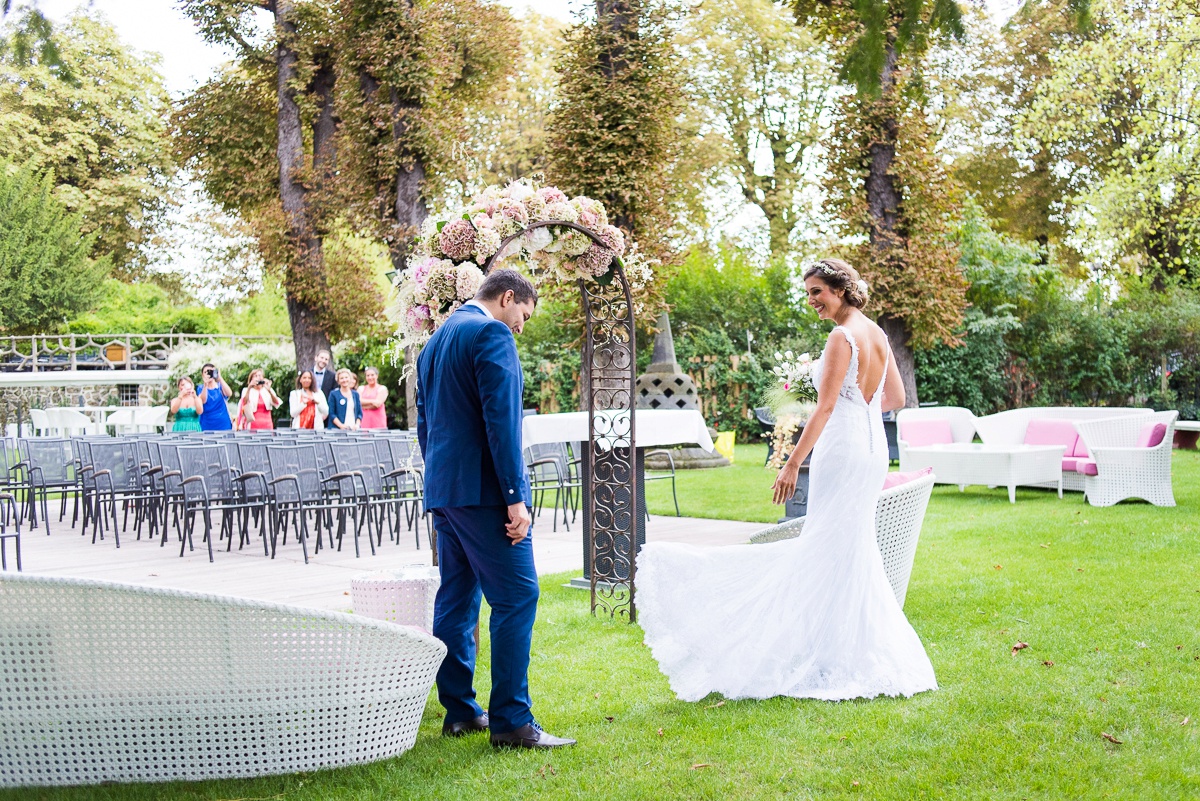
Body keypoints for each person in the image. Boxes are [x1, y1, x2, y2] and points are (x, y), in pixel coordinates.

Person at [636, 258, 937, 702]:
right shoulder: (877, 334)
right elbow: (895, 398)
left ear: (840, 290)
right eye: (809, 292)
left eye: (818, 291)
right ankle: (848, 650)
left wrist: (793, 462)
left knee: (827, 544)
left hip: (843, 449)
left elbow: (826, 408)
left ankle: (827, 652)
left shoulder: (842, 336)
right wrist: (864, 409)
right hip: (873, 452)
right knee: (848, 548)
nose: (812, 300)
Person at [417, 268, 574, 750]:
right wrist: (515, 497)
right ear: (508, 297)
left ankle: (461, 712)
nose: (521, 327)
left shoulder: (437, 338)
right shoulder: (490, 333)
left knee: (457, 599)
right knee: (517, 597)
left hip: (445, 490)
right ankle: (510, 722)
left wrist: (440, 479)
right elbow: (502, 423)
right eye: (524, 314)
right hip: (484, 493)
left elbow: (425, 420)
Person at [197, 363, 233, 431]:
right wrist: (205, 385)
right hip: (207, 424)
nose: (209, 374)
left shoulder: (220, 386)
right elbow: (203, 400)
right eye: (206, 372)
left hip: (223, 423)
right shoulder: (201, 388)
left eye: (211, 372)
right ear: (202, 375)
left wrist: (220, 378)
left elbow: (229, 393)